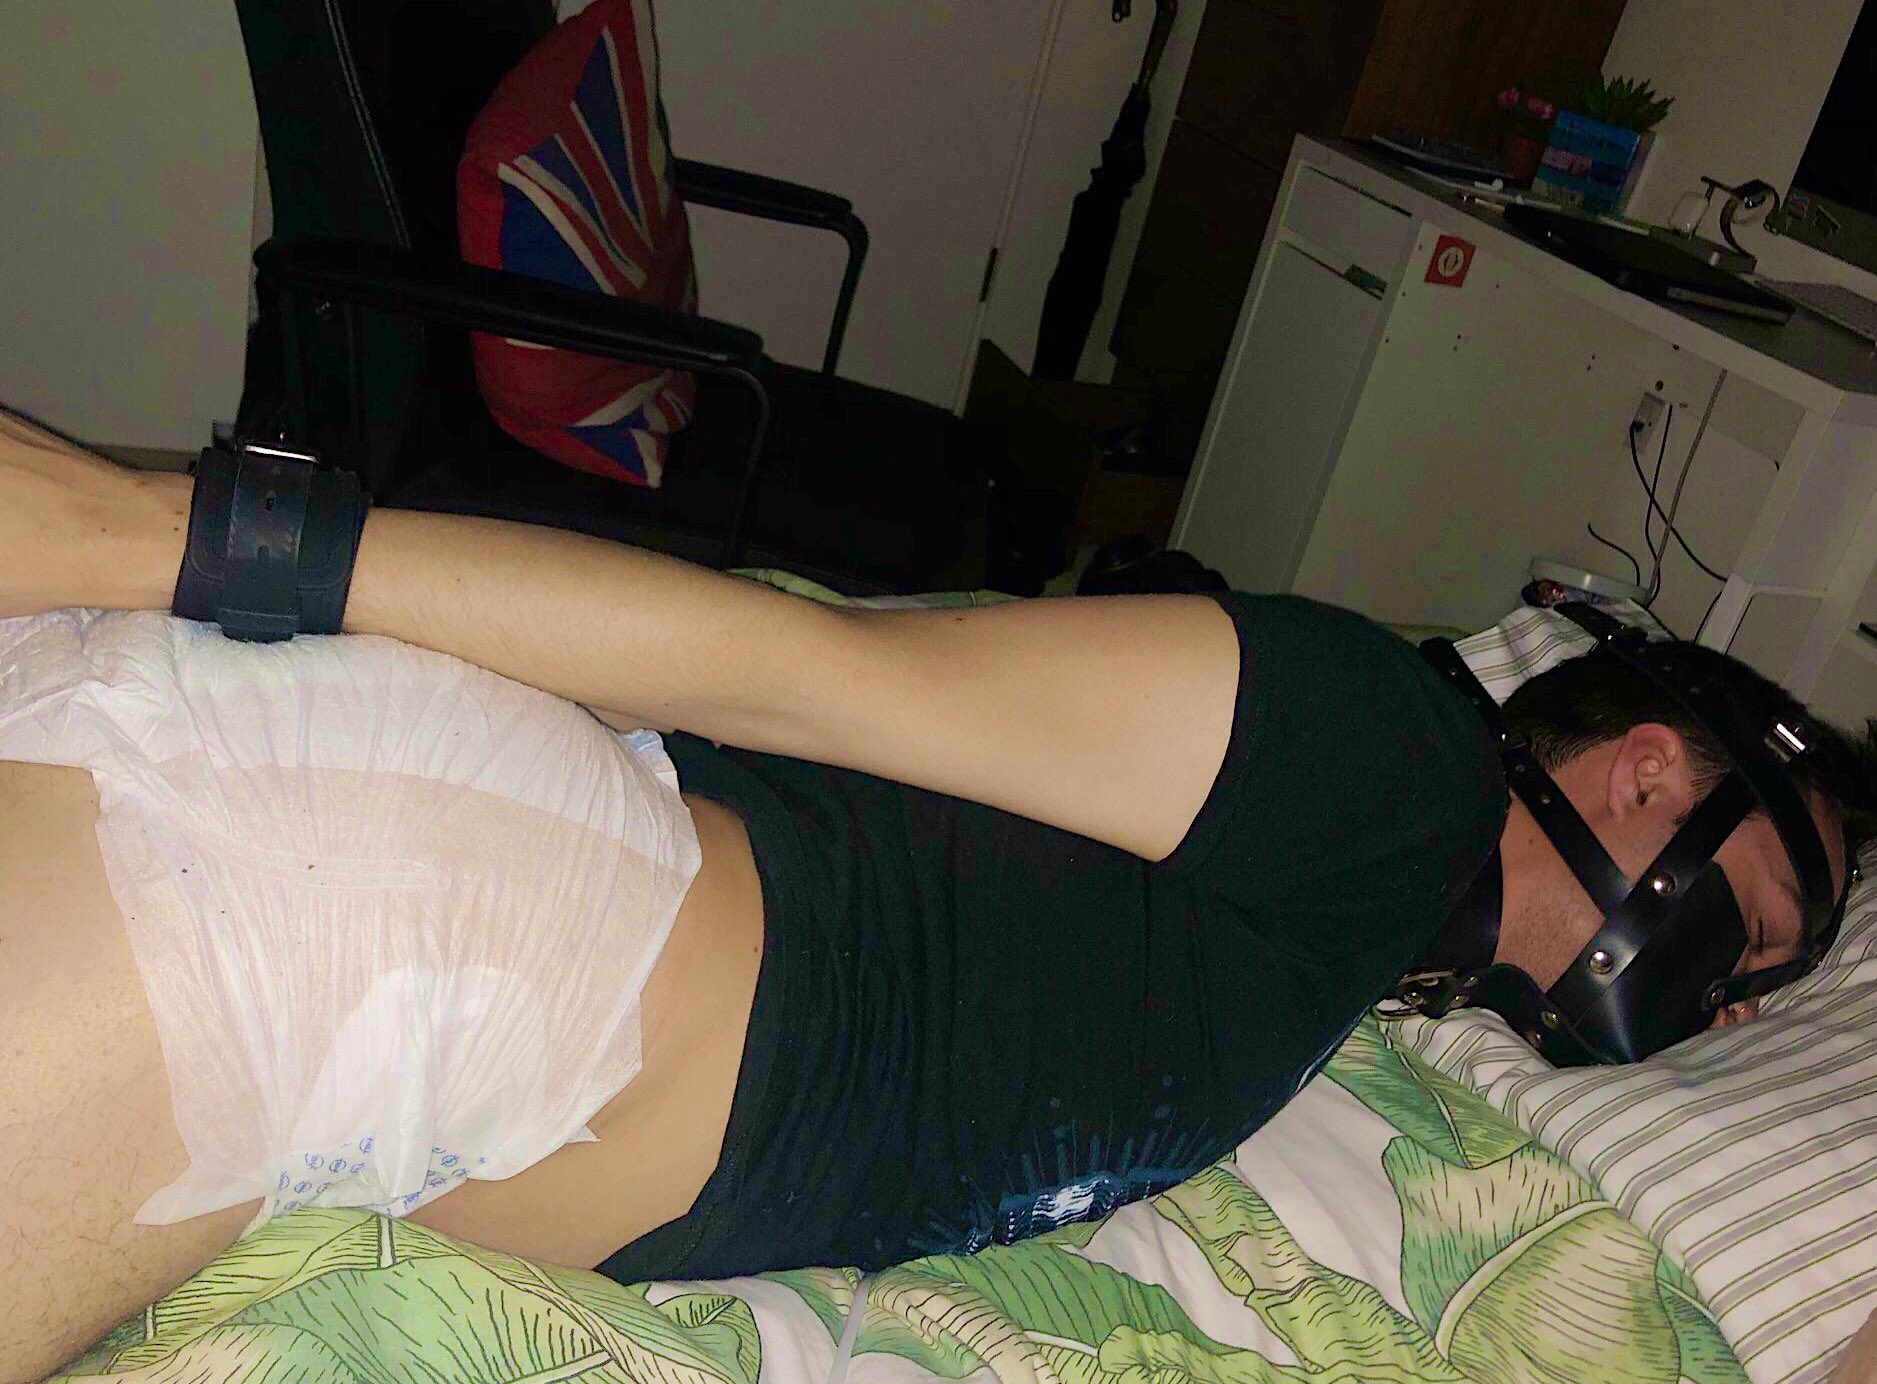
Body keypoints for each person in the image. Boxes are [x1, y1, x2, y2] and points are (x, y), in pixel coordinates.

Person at [0, 407, 1864, 1382]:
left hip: (411, 940)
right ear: (1648, 774)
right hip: (377, 914)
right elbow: (808, 672)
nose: (1731, 1001)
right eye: (1757, 933)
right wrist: (167, 531)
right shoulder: (1396, 760)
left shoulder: (1361, 939)